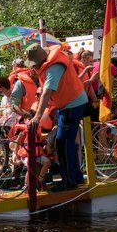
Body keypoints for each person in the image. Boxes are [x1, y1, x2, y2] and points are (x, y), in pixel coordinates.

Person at [24, 43, 88, 191]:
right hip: (70, 103)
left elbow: (47, 92)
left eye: (33, 65)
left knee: (62, 143)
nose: (33, 68)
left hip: (72, 105)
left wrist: (37, 117)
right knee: (67, 142)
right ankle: (76, 177)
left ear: (38, 62)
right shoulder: (51, 63)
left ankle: (69, 182)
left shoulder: (54, 67)